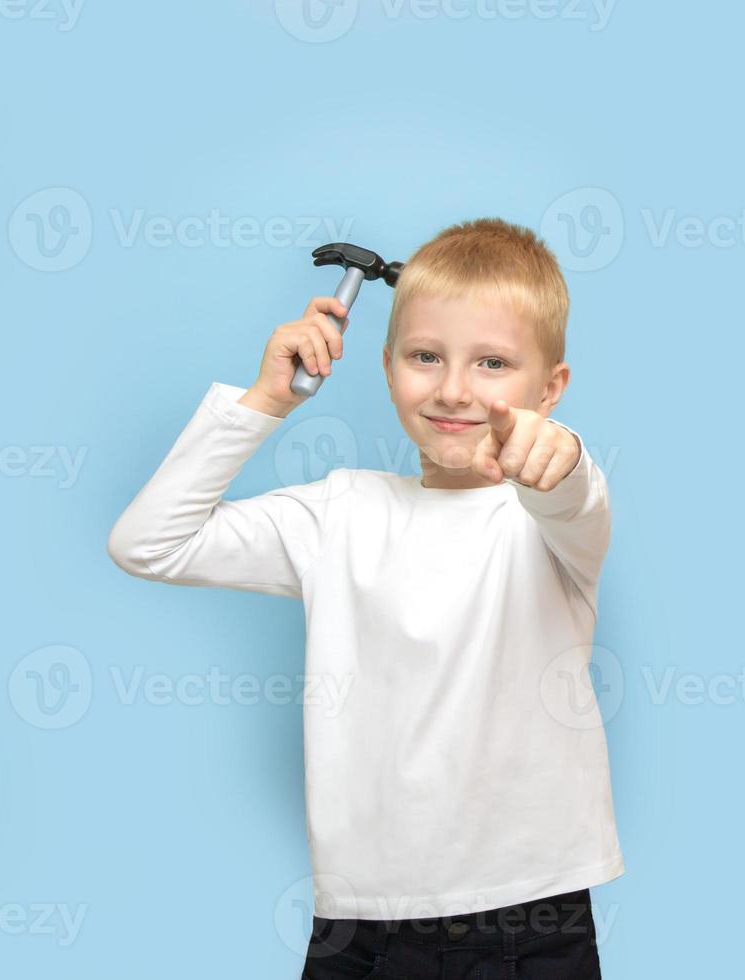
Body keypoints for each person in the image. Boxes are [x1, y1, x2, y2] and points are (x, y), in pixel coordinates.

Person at [107, 218, 623, 978]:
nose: (452, 389)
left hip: (532, 920)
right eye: (425, 356)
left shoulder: (550, 524)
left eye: (492, 363)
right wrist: (264, 401)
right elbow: (148, 542)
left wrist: (564, 453)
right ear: (385, 368)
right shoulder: (336, 514)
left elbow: (574, 495)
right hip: (362, 927)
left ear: (549, 389)